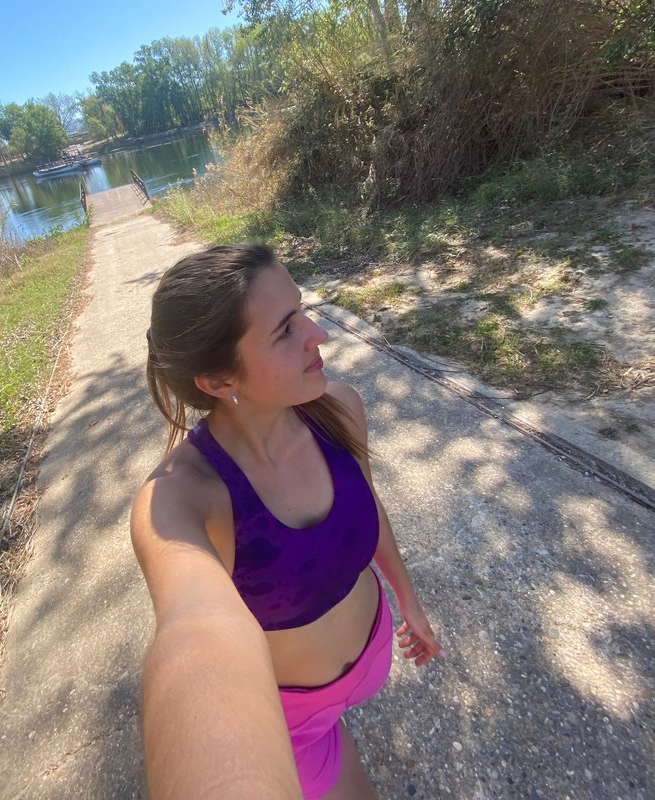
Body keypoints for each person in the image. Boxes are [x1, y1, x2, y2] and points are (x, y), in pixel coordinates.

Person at [130, 244, 446, 800]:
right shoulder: (182, 500)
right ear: (218, 381)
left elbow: (367, 505)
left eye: (302, 310)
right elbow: (194, 635)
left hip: (373, 653)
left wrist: (409, 600)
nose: (318, 335)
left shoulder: (339, 410)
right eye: (285, 330)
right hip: (293, 722)